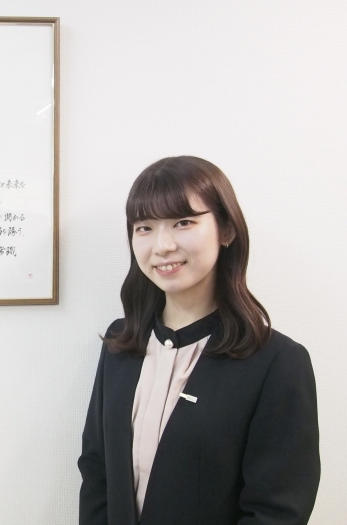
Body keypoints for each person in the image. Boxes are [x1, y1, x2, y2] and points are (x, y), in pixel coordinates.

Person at [78, 156, 320, 525]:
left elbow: (277, 512)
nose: (162, 245)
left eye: (183, 222)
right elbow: (97, 471)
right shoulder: (121, 342)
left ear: (227, 230)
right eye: (144, 228)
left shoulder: (277, 362)